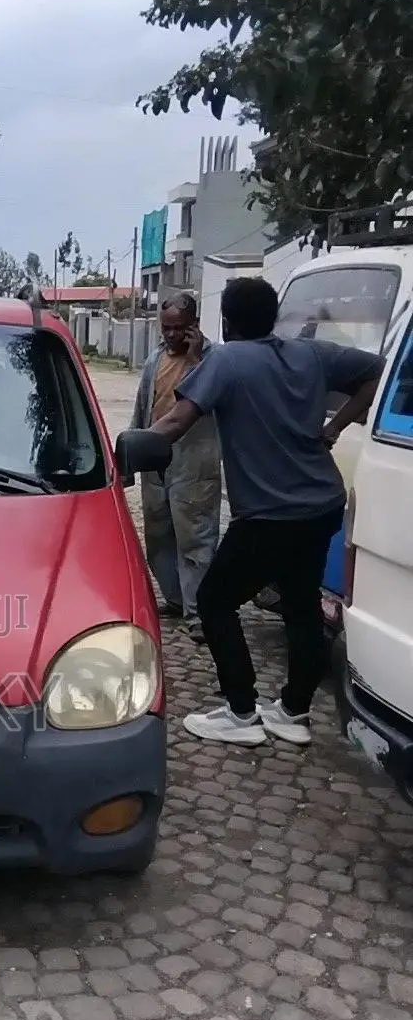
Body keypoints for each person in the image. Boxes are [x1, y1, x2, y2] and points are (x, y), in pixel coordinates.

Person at [143, 276, 384, 746]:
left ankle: (240, 713)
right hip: (322, 505)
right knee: (300, 606)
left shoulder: (227, 360)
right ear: (273, 317)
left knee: (214, 601)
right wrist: (334, 427)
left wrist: (123, 455)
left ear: (227, 322)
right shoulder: (311, 354)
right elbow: (377, 372)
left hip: (269, 516)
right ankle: (292, 712)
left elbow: (175, 421)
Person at [130, 293, 221, 642]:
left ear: (194, 327)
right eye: (165, 328)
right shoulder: (155, 358)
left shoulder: (212, 361)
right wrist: (133, 452)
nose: (170, 336)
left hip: (195, 463)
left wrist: (195, 360)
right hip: (157, 460)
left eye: (178, 329)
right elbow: (143, 405)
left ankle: (198, 612)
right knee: (159, 536)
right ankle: (174, 598)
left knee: (195, 540)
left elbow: (205, 402)